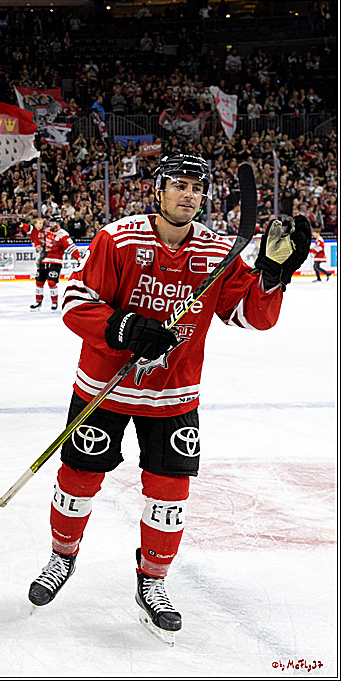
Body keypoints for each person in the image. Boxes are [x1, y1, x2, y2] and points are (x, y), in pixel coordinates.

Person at [28, 154, 311, 644]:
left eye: (196, 188)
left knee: (169, 496)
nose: (189, 195)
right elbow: (76, 304)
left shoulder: (218, 250)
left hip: (174, 395)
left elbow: (252, 316)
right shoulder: (118, 239)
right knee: (77, 480)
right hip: (105, 389)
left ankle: (153, 582)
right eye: (179, 185)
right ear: (158, 191)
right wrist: (123, 327)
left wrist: (270, 276)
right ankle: (61, 557)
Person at [21, 217, 82, 311]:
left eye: (52, 222)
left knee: (51, 282)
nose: (50, 224)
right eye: (50, 222)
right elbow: (33, 232)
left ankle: (54, 302)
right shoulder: (46, 231)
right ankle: (38, 302)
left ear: (57, 223)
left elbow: (71, 248)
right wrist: (24, 226)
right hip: (43, 260)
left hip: (56, 261)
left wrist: (79, 259)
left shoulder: (63, 234)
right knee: (39, 282)